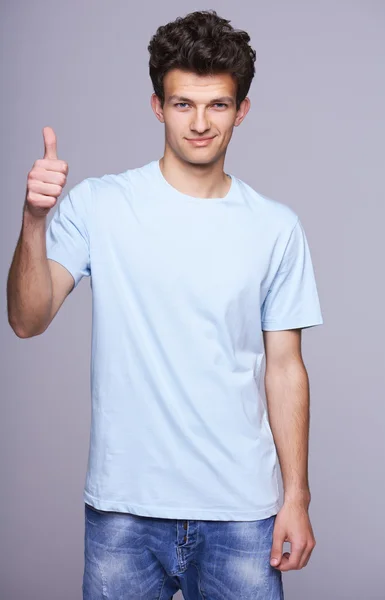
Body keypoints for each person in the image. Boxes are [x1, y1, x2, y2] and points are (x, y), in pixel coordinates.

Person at [7, 9, 323, 600]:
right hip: (123, 511)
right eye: (183, 104)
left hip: (241, 512)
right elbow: (27, 319)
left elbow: (285, 368)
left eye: (218, 105)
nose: (200, 123)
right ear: (158, 106)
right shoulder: (99, 205)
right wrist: (33, 223)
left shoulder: (276, 228)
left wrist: (297, 497)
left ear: (242, 110)